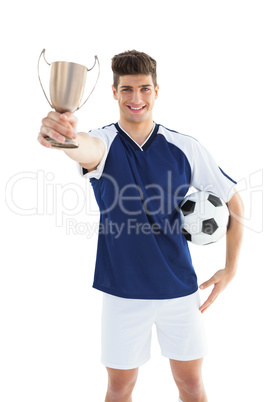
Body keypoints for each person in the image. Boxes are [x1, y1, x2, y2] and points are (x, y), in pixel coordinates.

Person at [38, 50, 244, 402]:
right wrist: (64, 137)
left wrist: (231, 269)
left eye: (145, 89)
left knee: (192, 386)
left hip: (180, 292)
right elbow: (83, 147)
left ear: (157, 91)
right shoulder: (104, 141)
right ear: (114, 92)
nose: (136, 98)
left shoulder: (184, 147)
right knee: (120, 388)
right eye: (128, 89)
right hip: (122, 293)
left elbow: (233, 200)